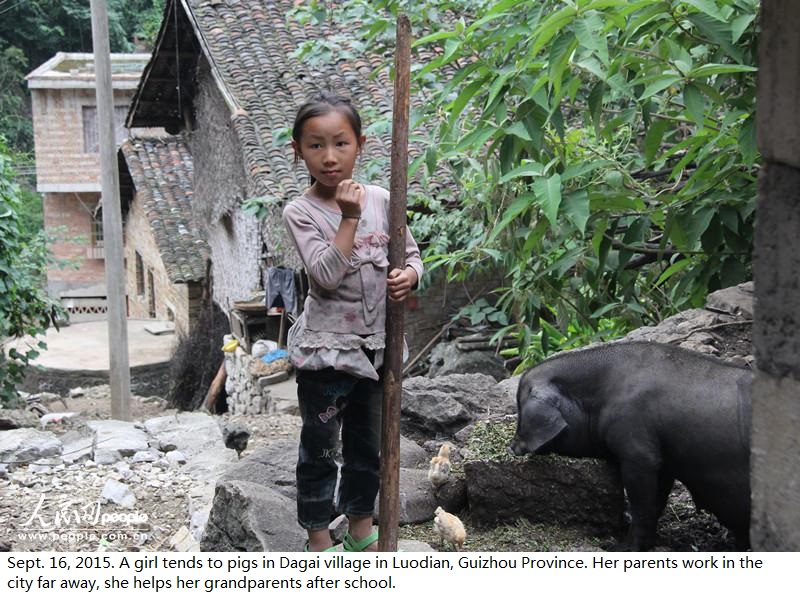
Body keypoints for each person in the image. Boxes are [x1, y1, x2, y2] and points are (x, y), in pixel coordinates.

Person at [282, 92, 423, 552]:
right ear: (297, 150)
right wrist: (348, 218)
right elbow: (324, 276)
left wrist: (410, 276)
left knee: (369, 447)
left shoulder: (384, 199)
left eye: (340, 144)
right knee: (321, 448)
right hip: (327, 356)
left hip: (376, 350)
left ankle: (361, 530)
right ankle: (319, 538)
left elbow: (414, 254)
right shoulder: (300, 212)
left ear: (360, 145)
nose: (329, 157)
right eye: (316, 145)